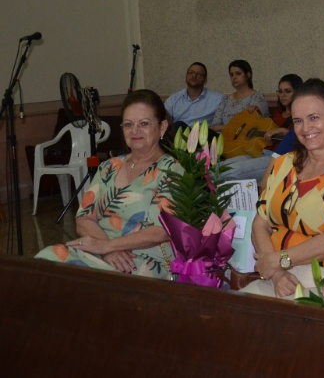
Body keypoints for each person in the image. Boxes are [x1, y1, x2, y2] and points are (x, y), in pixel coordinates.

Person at [241, 79, 324, 299]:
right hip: (278, 275)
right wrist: (277, 273)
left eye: (314, 118)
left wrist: (279, 260)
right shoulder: (284, 164)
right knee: (236, 308)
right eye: (298, 121)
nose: (305, 128)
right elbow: (260, 223)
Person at [36, 90, 183, 278]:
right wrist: (107, 250)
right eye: (128, 124)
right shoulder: (108, 167)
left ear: (162, 127)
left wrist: (107, 246)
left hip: (143, 258)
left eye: (144, 123)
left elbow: (162, 231)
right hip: (101, 249)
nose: (135, 130)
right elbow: (84, 219)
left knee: (86, 282)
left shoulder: (173, 171)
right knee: (46, 259)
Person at [210, 59, 270, 133]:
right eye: (231, 75)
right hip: (224, 138)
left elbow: (253, 125)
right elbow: (214, 127)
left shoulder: (257, 97)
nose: (234, 77)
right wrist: (230, 128)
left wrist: (225, 128)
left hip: (246, 141)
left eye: (238, 74)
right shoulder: (226, 99)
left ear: (248, 75)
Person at [164, 62, 223, 128]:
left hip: (204, 135)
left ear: (205, 79)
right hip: (179, 135)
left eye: (199, 74)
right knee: (178, 125)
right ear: (186, 76)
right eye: (191, 72)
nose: (194, 76)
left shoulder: (218, 99)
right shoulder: (173, 100)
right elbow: (163, 123)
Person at [262, 73, 303, 149]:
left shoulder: (302, 115)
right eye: (280, 91)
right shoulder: (278, 113)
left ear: (298, 92)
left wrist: (281, 130)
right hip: (265, 151)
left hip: (283, 156)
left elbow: (300, 139)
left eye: (287, 91)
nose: (283, 95)